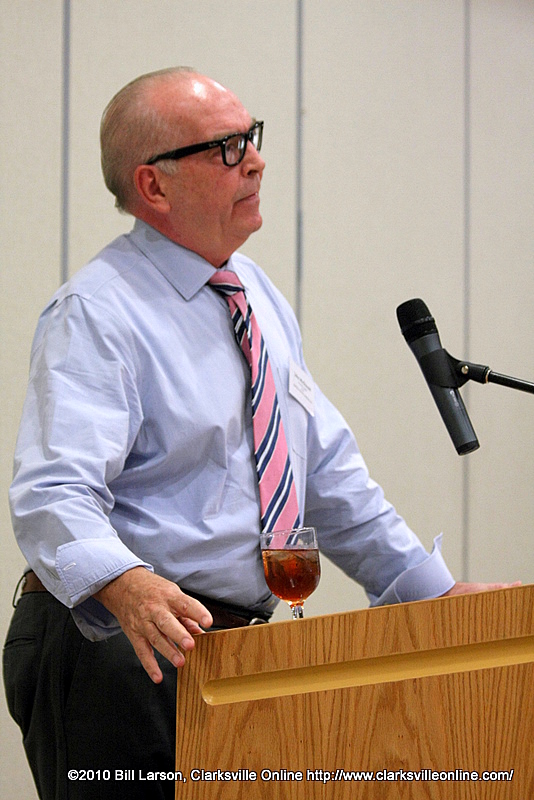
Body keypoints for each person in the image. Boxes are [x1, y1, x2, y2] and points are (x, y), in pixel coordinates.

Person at [3, 67, 517, 800]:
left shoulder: (255, 294)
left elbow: (323, 472)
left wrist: (433, 595)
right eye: (227, 147)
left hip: (233, 648)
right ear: (153, 186)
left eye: (252, 137)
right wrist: (125, 583)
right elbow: (54, 490)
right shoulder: (98, 311)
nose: (256, 160)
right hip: (120, 644)